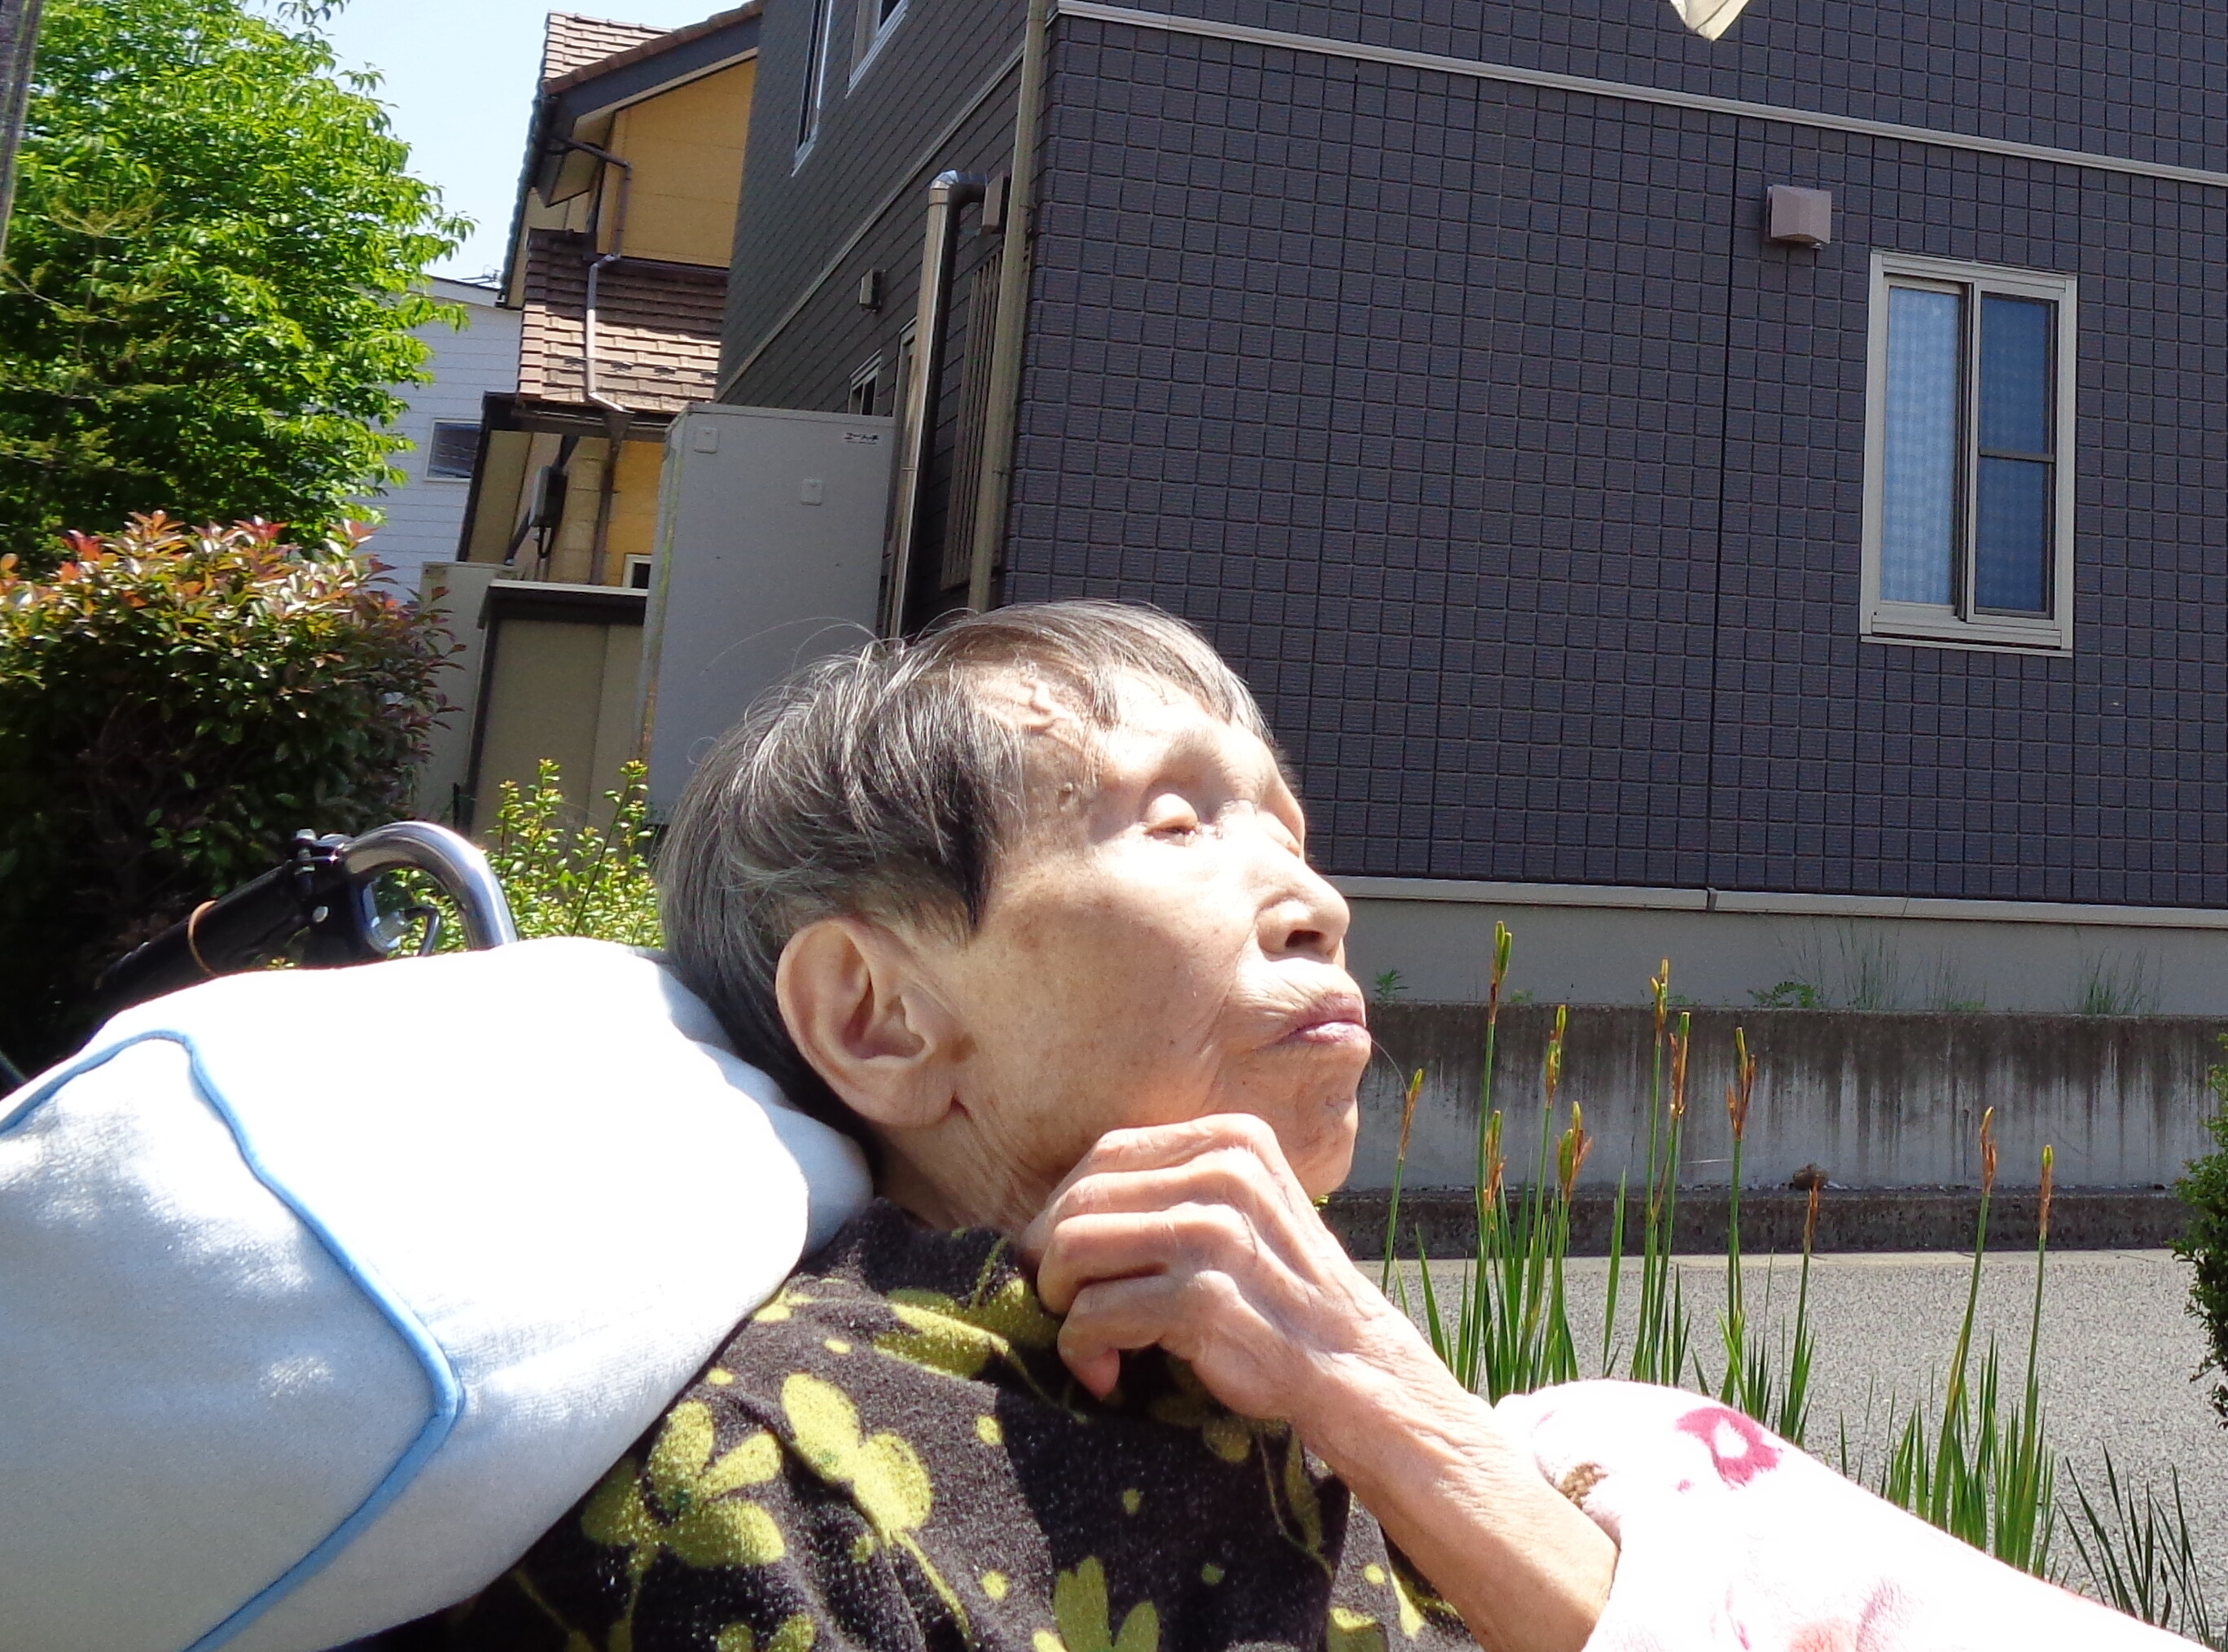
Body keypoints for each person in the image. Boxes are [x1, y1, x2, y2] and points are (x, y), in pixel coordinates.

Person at [424, 601, 1616, 1652]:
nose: (1320, 905)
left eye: (1290, 840)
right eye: (1177, 823)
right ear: (878, 1017)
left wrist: (1384, 1395)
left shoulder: (1300, 1364)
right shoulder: (778, 1486)